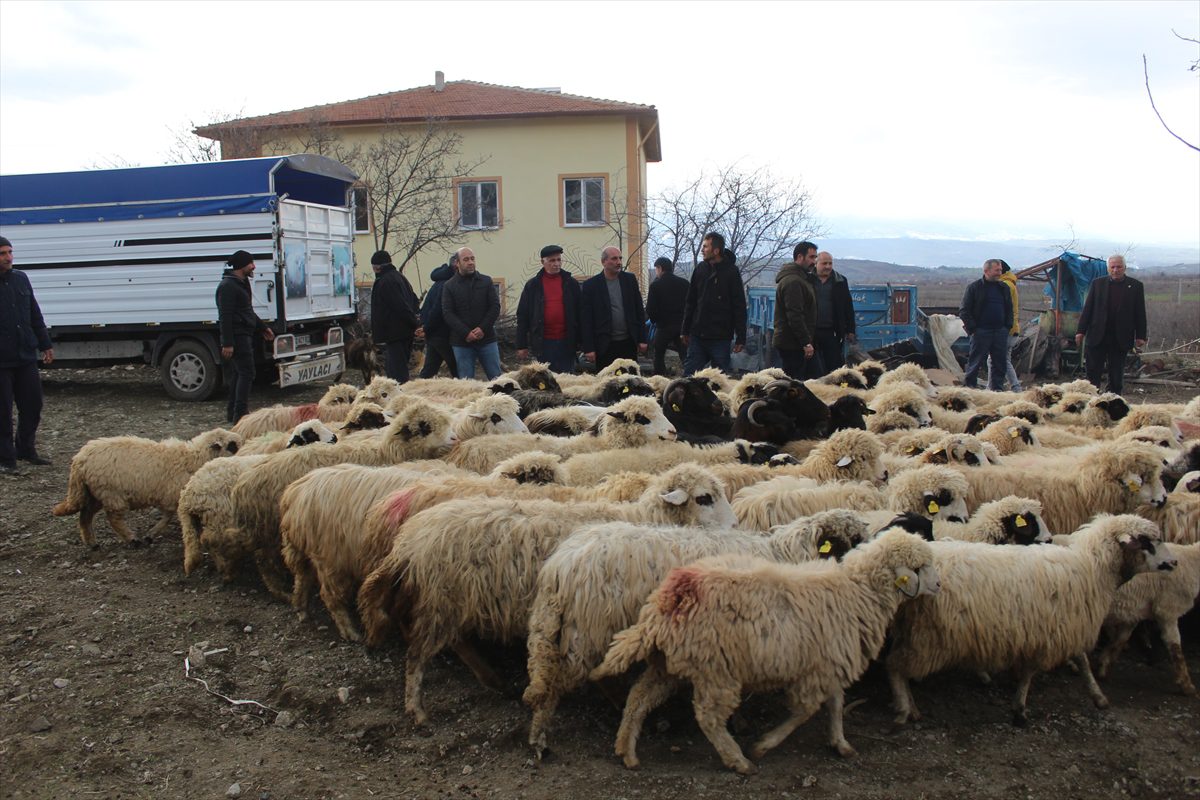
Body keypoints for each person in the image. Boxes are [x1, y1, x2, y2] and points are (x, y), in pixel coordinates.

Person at [0, 236, 54, 474]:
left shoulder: (21, 279)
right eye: (2, 253)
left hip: (25, 356)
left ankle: (25, 449)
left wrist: (45, 344)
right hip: (1, 361)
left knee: (33, 405)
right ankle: (5, 459)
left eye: (10, 252)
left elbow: (34, 313)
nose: (9, 257)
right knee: (2, 413)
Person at [1075, 254, 1147, 396]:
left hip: (1120, 338)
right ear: (1108, 268)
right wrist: (1080, 331)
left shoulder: (1136, 286)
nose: (1115, 270)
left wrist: (1141, 336)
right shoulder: (1098, 284)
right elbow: (1088, 309)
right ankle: (1092, 401)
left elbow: (1140, 312)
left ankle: (1114, 403)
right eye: (1112, 267)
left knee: (1116, 375)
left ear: (1125, 267)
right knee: (1092, 373)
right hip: (1097, 335)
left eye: (1119, 267)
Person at [216, 249, 275, 424]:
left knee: (239, 373)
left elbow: (247, 311)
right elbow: (225, 316)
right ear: (242, 265)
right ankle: (240, 414)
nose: (254, 266)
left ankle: (233, 412)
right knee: (247, 373)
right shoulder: (228, 286)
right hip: (237, 336)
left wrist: (263, 328)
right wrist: (227, 343)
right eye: (251, 263)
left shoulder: (241, 284)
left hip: (246, 334)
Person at [680, 232, 747, 376]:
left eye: (705, 247)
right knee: (689, 376)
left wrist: (741, 337)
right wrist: (685, 329)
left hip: (720, 337)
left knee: (720, 381)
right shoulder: (700, 269)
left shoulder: (731, 272)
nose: (702, 250)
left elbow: (739, 305)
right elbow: (691, 301)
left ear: (716, 251)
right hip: (698, 336)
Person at [516, 244, 582, 374]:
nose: (556, 264)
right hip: (543, 343)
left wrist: (583, 343)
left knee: (567, 381)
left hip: (566, 342)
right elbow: (522, 316)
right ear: (543, 262)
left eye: (559, 260)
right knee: (545, 381)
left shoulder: (571, 283)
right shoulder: (533, 286)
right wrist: (521, 345)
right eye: (552, 260)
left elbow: (581, 314)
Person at [581, 247, 647, 372]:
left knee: (631, 381)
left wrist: (642, 339)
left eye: (620, 258)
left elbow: (639, 311)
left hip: (628, 343)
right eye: (614, 258)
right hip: (605, 345)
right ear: (603, 262)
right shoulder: (591, 285)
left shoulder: (629, 280)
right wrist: (589, 348)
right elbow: (586, 319)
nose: (619, 262)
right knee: (607, 384)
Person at [442, 247, 502, 379]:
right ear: (457, 263)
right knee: (466, 383)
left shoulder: (486, 281)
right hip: (461, 342)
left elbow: (495, 307)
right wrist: (466, 333)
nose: (470, 262)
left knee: (497, 380)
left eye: (472, 259)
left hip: (487, 339)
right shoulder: (449, 286)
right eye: (466, 259)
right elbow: (448, 313)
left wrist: (482, 328)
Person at [959, 258, 1013, 391]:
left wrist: (1007, 327)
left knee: (999, 364)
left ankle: (997, 391)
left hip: (1000, 332)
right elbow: (964, 310)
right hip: (981, 332)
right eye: (997, 270)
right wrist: (973, 329)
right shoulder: (974, 287)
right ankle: (970, 389)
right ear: (986, 271)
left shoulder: (1003, 288)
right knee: (975, 362)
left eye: (1000, 270)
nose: (1000, 272)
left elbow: (1009, 309)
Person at [369, 250, 422, 383]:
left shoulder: (386, 281)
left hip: (395, 334)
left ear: (377, 267)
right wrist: (415, 322)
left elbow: (400, 307)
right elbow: (414, 301)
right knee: (399, 366)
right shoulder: (399, 277)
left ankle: (399, 397)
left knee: (396, 372)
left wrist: (415, 324)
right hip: (404, 332)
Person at [807, 250, 857, 377]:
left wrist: (850, 330)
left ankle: (838, 392)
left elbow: (847, 306)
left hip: (831, 332)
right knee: (811, 367)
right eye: (824, 263)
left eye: (830, 263)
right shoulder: (807, 280)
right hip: (810, 331)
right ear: (816, 264)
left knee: (835, 367)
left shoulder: (840, 281)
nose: (828, 266)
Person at [773, 244, 817, 380]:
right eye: (811, 257)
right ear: (799, 257)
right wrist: (805, 342)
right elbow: (794, 315)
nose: (814, 261)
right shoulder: (793, 282)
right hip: (792, 344)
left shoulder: (800, 279)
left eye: (815, 257)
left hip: (794, 342)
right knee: (792, 383)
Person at [645, 256, 690, 376]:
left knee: (659, 354)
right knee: (685, 355)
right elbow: (691, 305)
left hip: (663, 326)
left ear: (660, 268)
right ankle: (691, 378)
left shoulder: (655, 286)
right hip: (682, 325)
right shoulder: (684, 283)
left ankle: (660, 378)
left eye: (656, 269)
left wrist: (656, 321)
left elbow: (650, 308)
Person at [417, 252, 458, 379]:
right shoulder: (448, 283)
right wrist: (427, 328)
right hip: (442, 333)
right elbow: (438, 310)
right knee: (457, 367)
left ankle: (417, 391)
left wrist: (426, 327)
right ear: (456, 264)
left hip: (434, 333)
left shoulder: (439, 281)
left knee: (430, 369)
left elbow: (428, 308)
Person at [986, 260, 1022, 392]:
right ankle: (1010, 386)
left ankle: (1014, 387)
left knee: (998, 360)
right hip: (1013, 328)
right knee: (1001, 359)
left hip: (1007, 329)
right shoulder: (1010, 283)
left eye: (998, 270)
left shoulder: (1004, 285)